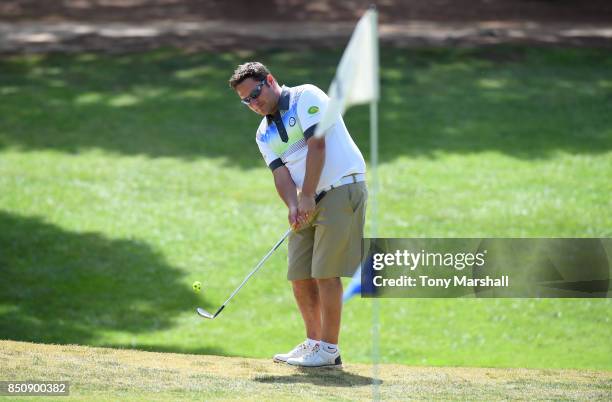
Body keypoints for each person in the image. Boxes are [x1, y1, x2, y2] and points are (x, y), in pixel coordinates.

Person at [229, 62, 367, 368]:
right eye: (246, 101)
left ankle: (329, 350)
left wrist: (306, 196)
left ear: (270, 80)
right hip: (307, 201)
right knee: (300, 276)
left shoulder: (306, 97)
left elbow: (317, 145)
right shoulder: (263, 133)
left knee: (325, 272)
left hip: (341, 188)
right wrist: (293, 205)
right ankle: (314, 343)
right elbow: (280, 174)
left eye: (255, 93)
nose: (254, 103)